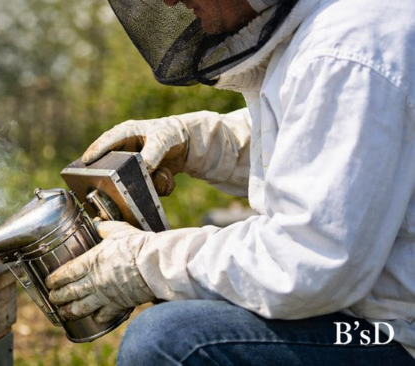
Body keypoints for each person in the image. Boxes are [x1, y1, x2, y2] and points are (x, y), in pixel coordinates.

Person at [44, 0, 415, 364]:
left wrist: (144, 263)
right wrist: (197, 142)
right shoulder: (338, 26)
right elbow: (319, 147)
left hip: (392, 332)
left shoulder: (347, 48)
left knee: (169, 340)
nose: (169, 1)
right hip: (374, 311)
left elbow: (307, 260)